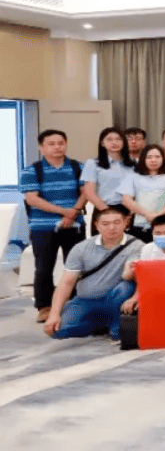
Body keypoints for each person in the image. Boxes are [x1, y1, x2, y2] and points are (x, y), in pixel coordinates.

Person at [41, 206, 142, 340]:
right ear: (96, 225)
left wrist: (130, 270)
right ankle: (100, 324)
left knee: (125, 287)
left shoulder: (137, 246)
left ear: (125, 223)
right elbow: (66, 283)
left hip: (115, 298)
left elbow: (132, 276)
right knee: (57, 331)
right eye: (105, 224)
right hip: (86, 300)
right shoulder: (81, 248)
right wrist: (54, 314)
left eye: (117, 222)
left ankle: (116, 324)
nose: (111, 227)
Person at [24, 130, 89, 322]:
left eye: (61, 143)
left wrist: (74, 211)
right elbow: (32, 199)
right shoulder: (32, 170)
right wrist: (63, 211)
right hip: (43, 227)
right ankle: (44, 306)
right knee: (44, 268)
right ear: (41, 147)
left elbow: (86, 192)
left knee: (76, 267)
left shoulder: (78, 167)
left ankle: (75, 304)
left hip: (74, 225)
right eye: (51, 144)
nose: (57, 147)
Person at [118, 145, 165, 240]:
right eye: (149, 157)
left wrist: (157, 216)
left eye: (157, 157)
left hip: (164, 225)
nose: (153, 160)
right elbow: (126, 200)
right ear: (143, 159)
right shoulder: (133, 177)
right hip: (139, 225)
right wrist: (148, 215)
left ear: (163, 158)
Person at [81, 127, 136, 225]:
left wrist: (133, 212)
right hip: (103, 209)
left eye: (118, 139)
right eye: (109, 139)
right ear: (102, 143)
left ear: (124, 142)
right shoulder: (93, 163)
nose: (114, 142)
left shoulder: (133, 164)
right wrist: (108, 212)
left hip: (129, 211)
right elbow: (89, 193)